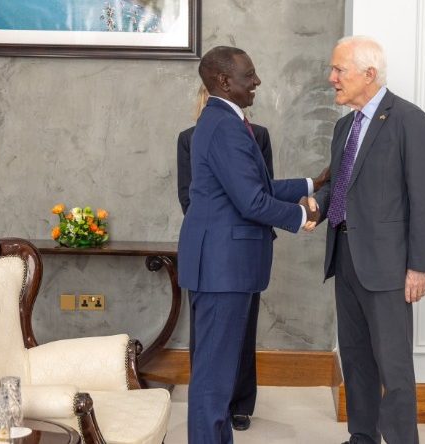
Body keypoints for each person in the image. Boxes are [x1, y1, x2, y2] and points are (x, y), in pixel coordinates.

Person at [178, 45, 320, 444]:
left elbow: (254, 187)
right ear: (224, 81)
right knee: (213, 377)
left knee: (218, 373)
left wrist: (311, 184)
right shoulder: (224, 126)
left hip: (224, 265)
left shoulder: (224, 121)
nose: (257, 82)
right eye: (250, 75)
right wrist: (301, 216)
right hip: (222, 267)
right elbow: (252, 201)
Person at [308, 36, 425, 444]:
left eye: (339, 70)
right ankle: (361, 436)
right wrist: (312, 205)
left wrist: (419, 266)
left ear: (369, 74)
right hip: (345, 257)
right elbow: (340, 185)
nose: (331, 78)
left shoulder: (409, 120)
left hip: (388, 265)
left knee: (394, 367)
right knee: (356, 359)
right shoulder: (344, 125)